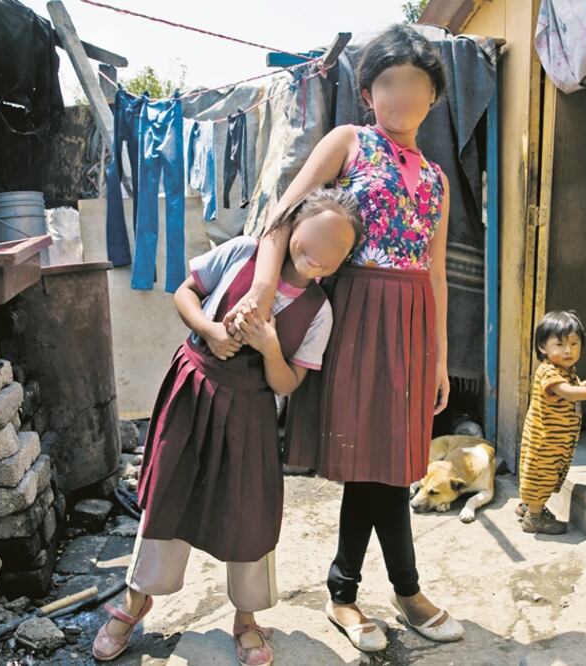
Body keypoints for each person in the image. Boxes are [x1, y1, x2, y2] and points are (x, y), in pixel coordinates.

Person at [222, 24, 464, 652]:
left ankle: (350, 591)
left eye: (415, 84)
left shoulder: (436, 179)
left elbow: (435, 271)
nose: (402, 95)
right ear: (368, 92)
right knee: (374, 464)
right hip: (356, 316)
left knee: (389, 466)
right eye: (388, 83)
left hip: (411, 321)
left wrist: (438, 357)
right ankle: (392, 592)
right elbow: (283, 219)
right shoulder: (348, 142)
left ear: (433, 97)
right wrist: (260, 291)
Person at [92, 188, 364, 665]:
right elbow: (185, 291)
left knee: (249, 512)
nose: (318, 255)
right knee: (168, 497)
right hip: (194, 391)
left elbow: (289, 382)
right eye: (312, 238)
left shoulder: (319, 311)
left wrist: (269, 346)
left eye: (334, 251)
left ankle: (247, 617)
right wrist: (210, 330)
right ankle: (137, 600)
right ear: (291, 228)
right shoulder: (244, 253)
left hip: (251, 414)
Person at [516, 310, 586, 535]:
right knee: (542, 475)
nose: (568, 350)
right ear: (543, 347)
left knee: (542, 474)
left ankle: (529, 506)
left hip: (555, 440)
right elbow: (569, 393)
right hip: (546, 441)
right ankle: (534, 518)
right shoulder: (549, 372)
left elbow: (571, 390)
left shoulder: (564, 370)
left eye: (574, 343)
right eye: (560, 344)